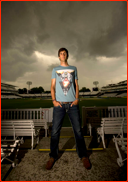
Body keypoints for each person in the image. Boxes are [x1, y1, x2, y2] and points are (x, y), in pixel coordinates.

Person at [46, 48, 91, 170]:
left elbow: (76, 84)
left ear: (67, 55)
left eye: (64, 53)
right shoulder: (55, 70)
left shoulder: (74, 68)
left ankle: (83, 156)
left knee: (78, 131)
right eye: (61, 53)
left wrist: (77, 99)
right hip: (59, 105)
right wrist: (54, 101)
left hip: (73, 104)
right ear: (58, 56)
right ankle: (52, 156)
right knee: (55, 131)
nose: (63, 54)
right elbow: (52, 86)